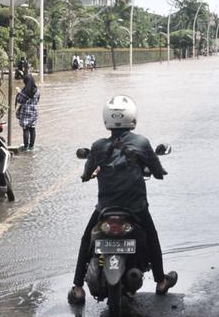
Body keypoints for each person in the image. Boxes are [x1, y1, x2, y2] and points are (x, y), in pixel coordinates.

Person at [68, 95, 177, 304]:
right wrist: (156, 171)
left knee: (86, 239)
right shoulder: (142, 143)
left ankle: (78, 287)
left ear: (106, 119)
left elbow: (85, 174)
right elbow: (159, 172)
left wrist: (89, 175)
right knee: (152, 237)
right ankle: (161, 281)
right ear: (132, 117)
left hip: (105, 209)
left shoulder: (98, 146)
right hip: (135, 208)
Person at [15, 72, 40, 151]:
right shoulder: (37, 90)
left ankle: (26, 147)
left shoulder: (24, 91)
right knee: (32, 128)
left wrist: (19, 92)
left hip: (26, 111)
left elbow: (20, 101)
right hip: (34, 111)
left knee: (25, 129)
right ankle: (31, 146)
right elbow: (37, 100)